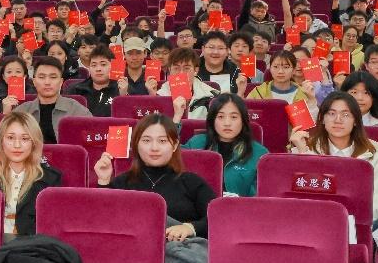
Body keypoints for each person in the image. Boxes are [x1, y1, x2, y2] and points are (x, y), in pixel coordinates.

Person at [289, 91, 378, 246]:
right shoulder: (304, 149)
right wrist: (302, 154)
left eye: (345, 115)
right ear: (322, 119)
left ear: (356, 121)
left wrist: (348, 220)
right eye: (331, 114)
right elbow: (296, 197)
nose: (338, 120)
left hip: (357, 229)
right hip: (311, 227)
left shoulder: (372, 154)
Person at [93, 113, 216, 244]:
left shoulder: (192, 183)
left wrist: (190, 228)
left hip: (180, 251)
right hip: (133, 252)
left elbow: (218, 218)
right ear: (136, 144)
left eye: (162, 141)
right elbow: (101, 222)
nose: (154, 148)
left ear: (175, 145)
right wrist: (103, 181)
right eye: (146, 141)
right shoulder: (121, 183)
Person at [183, 93, 268, 197]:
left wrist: (239, 201)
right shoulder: (196, 143)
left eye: (233, 117)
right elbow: (171, 159)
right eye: (221, 117)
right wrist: (177, 118)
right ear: (212, 120)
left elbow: (262, 196)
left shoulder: (260, 154)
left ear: (243, 120)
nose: (227, 123)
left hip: (240, 207)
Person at [16, 56, 90, 144]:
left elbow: (90, 139)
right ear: (34, 82)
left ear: (61, 82)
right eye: (42, 77)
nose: (47, 82)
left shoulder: (76, 110)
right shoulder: (21, 112)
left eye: (53, 77)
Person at [151, 47, 218, 121]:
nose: (181, 73)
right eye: (176, 68)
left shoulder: (212, 96)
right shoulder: (160, 95)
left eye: (186, 68)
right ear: (170, 70)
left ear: (196, 70)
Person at [70, 49, 127, 117]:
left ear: (112, 66)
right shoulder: (75, 90)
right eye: (94, 65)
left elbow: (128, 118)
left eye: (103, 64)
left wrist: (123, 97)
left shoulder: (123, 89)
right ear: (89, 68)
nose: (98, 69)